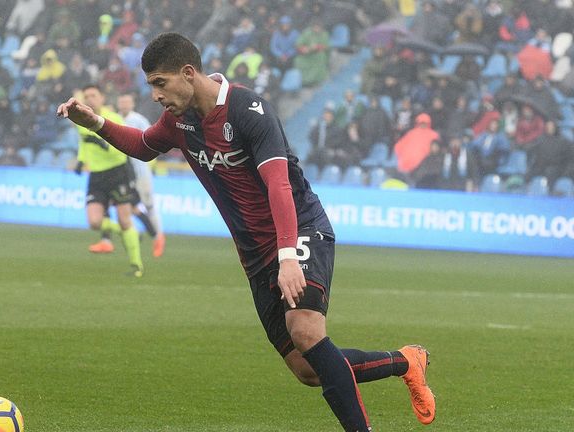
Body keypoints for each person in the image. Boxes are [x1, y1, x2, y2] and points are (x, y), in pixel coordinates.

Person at [57, 32, 436, 431]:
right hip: (255, 255)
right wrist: (96, 123)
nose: (154, 94)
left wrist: (288, 256)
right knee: (308, 370)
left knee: (306, 331)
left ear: (188, 73)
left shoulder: (249, 110)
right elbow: (144, 145)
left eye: (159, 83)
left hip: (300, 229)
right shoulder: (178, 120)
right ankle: (405, 361)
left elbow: (279, 184)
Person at [74, 85, 144, 277]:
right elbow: (83, 141)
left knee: (124, 219)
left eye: (93, 95)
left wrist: (101, 143)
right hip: (96, 175)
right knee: (94, 222)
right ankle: (129, 233)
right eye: (86, 95)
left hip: (117, 172)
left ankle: (136, 265)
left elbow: (122, 147)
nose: (89, 99)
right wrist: (81, 160)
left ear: (102, 98)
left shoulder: (113, 119)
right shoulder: (80, 119)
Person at [116, 93, 166, 258]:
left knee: (149, 205)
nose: (124, 104)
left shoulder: (138, 120)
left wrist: (152, 164)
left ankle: (159, 236)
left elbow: (152, 139)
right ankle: (139, 234)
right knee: (127, 206)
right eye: (121, 101)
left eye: (126, 101)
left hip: (141, 171)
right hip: (123, 172)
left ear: (132, 103)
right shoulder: (115, 119)